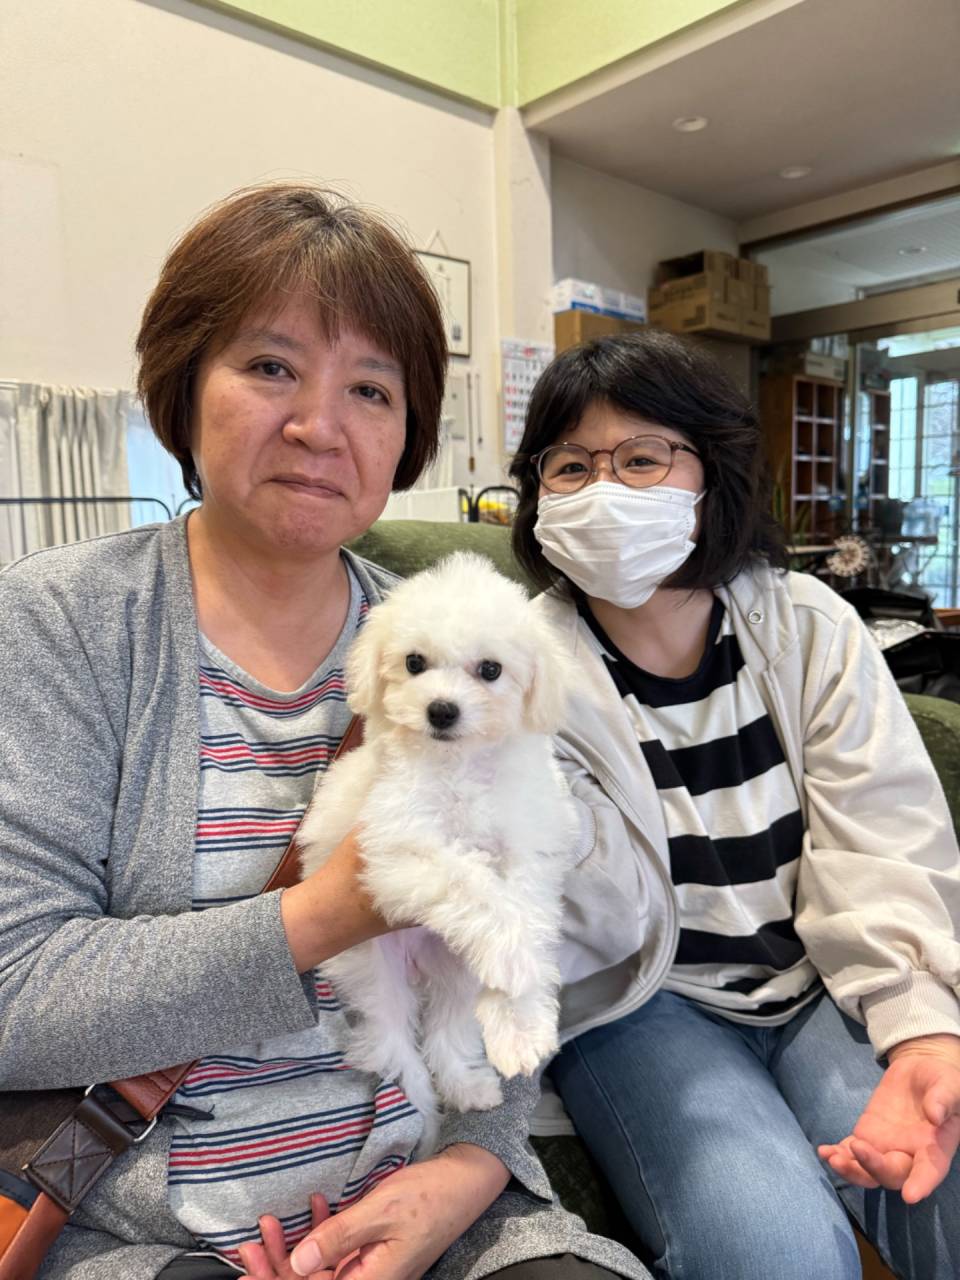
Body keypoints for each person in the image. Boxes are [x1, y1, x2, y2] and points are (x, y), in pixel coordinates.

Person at [0, 184, 650, 1280]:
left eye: (370, 389)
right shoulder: (62, 623)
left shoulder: (454, 634)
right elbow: (16, 992)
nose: (319, 426)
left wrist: (475, 1163)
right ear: (182, 385)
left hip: (431, 1190)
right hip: (159, 1228)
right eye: (270, 367)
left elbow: (515, 912)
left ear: (407, 432)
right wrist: (327, 911)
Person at [507, 330, 960, 1280]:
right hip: (641, 1007)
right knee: (776, 1252)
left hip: (815, 981)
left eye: (641, 459)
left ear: (710, 473)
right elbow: (556, 915)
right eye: (572, 466)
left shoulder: (808, 626)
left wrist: (921, 1024)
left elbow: (880, 835)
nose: (603, 490)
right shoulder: (514, 667)